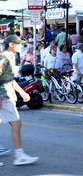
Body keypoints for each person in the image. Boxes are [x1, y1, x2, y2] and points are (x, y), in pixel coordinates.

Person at [0, 35, 39, 166]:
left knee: (15, 124)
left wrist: (22, 92)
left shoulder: (9, 57)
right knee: (16, 124)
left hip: (6, 96)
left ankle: (20, 155)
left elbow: (9, 79)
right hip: (3, 97)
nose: (21, 46)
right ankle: (19, 155)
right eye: (19, 43)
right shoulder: (4, 57)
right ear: (11, 44)